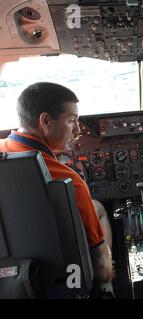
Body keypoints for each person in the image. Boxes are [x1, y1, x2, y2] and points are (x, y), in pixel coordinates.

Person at [0, 82, 115, 283]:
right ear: (45, 121)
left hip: (11, 282)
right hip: (65, 283)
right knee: (99, 209)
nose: (78, 130)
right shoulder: (69, 182)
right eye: (72, 121)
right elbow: (101, 269)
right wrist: (106, 268)